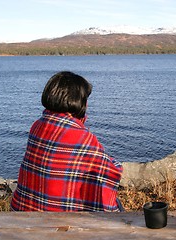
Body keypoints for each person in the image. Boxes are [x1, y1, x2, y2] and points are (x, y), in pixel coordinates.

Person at [11, 71, 123, 212]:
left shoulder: (38, 125)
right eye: (85, 99)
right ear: (78, 101)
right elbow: (110, 171)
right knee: (116, 205)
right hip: (61, 217)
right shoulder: (80, 136)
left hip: (25, 209)